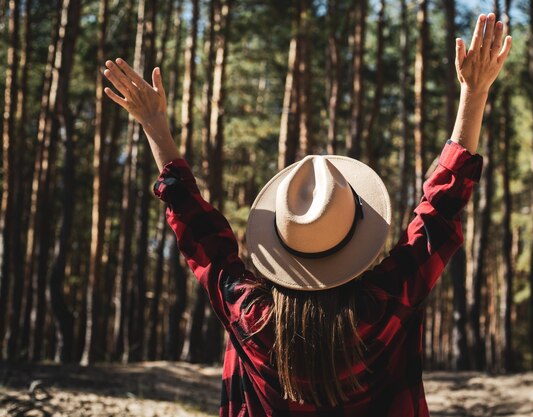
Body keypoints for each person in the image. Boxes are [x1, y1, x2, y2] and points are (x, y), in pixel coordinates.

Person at [103, 12, 511, 417]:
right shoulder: (384, 305)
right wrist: (473, 94)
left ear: (281, 244)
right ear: (356, 237)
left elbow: (197, 227)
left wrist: (155, 125)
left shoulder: (251, 317)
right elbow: (438, 213)